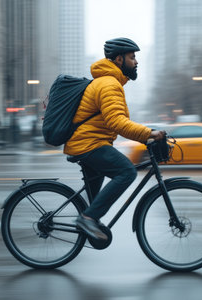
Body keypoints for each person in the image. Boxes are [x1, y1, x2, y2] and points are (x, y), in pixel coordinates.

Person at [64, 37, 166, 240]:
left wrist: (145, 133)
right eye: (132, 57)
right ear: (119, 59)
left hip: (90, 142)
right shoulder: (109, 84)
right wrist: (148, 133)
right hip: (89, 144)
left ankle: (89, 220)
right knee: (127, 172)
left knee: (95, 201)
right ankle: (88, 219)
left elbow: (114, 120)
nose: (136, 62)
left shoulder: (109, 82)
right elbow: (117, 123)